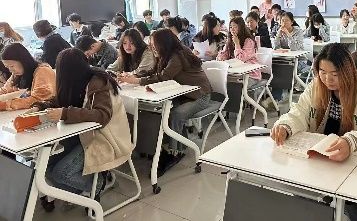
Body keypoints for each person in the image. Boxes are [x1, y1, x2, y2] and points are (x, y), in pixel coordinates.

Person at [35, 48, 131, 211]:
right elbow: (60, 99)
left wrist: (65, 113)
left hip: (104, 137)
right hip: (84, 134)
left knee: (59, 173)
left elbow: (102, 116)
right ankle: (82, 190)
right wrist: (41, 106)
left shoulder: (98, 82)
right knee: (45, 168)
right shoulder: (77, 80)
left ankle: (98, 183)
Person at [271, 43, 357, 161]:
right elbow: (300, 111)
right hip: (319, 156)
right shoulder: (316, 86)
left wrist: (350, 142)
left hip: (354, 158)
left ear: (348, 71)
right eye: (323, 72)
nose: (328, 79)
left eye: (335, 74)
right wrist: (285, 126)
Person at [120, 29, 211, 173]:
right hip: (182, 95)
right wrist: (134, 76)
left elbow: (163, 77)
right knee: (161, 112)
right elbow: (154, 71)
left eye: (154, 44)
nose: (152, 47)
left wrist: (137, 81)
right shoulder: (165, 54)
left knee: (176, 114)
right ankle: (173, 146)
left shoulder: (178, 55)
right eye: (151, 44)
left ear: (163, 43)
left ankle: (174, 152)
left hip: (200, 95)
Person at [0, 43, 56, 111]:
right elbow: (5, 90)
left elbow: (38, 99)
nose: (10, 70)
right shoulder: (17, 74)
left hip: (47, 112)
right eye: (7, 67)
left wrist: (6, 105)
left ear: (23, 60)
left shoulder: (43, 71)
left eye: (12, 66)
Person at [218, 17, 261, 84]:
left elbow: (240, 59)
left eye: (235, 27)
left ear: (241, 28)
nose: (232, 29)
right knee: (219, 82)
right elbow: (222, 57)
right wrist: (222, 54)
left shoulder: (249, 41)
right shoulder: (230, 40)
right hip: (236, 73)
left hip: (250, 75)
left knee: (231, 85)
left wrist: (237, 44)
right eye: (230, 27)